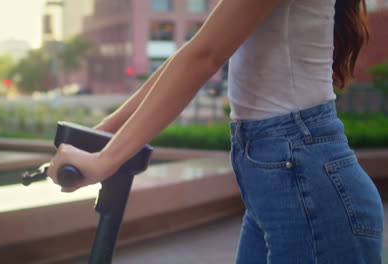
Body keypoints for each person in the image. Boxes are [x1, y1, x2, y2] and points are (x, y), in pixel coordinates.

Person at [47, 0, 384, 262]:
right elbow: (186, 57)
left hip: (304, 178)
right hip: (281, 180)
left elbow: (204, 57)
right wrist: (100, 136)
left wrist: (107, 159)